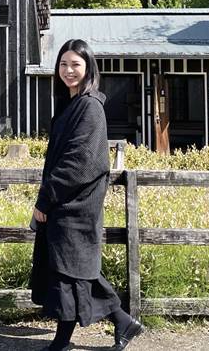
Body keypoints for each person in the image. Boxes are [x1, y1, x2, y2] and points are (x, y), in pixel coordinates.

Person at [30, 39, 143, 351]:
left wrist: (45, 198)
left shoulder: (90, 107)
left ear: (88, 68)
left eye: (75, 65)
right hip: (66, 203)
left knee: (71, 271)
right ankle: (122, 322)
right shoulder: (71, 105)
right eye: (64, 65)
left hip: (76, 205)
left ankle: (63, 342)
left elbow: (80, 161)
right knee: (73, 271)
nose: (68, 71)